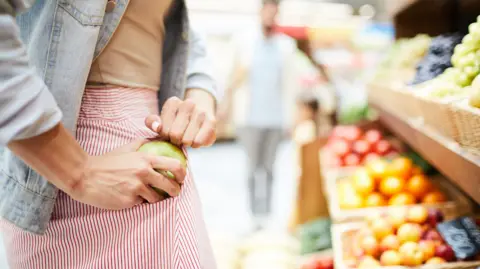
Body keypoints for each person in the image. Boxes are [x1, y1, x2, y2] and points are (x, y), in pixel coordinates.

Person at [0, 1, 217, 268]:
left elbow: (182, 34)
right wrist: (79, 172)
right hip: (66, 173)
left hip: (155, 173)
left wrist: (199, 99)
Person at [219, 0, 301, 229]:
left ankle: (267, 214)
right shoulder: (244, 41)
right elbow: (231, 77)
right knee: (252, 169)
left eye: (275, 11)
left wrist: (292, 117)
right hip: (249, 119)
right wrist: (225, 105)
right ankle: (255, 216)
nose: (271, 15)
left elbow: (291, 86)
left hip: (275, 119)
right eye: (267, 9)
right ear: (261, 11)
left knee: (270, 169)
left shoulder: (286, 46)